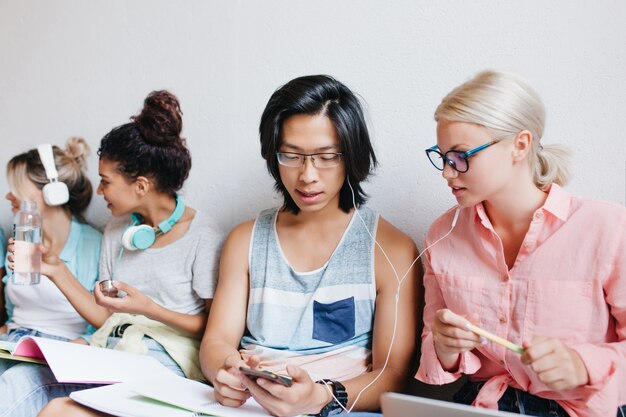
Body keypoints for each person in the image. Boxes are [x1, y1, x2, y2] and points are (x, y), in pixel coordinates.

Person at [200, 75, 420, 417]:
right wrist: (226, 372)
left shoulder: (390, 249)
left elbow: (393, 376)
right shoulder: (245, 240)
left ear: (352, 156)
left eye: (326, 157)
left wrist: (321, 397)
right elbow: (216, 342)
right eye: (292, 155)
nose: (307, 175)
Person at [416, 70, 626, 417]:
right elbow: (434, 350)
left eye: (461, 155)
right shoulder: (443, 233)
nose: (447, 172)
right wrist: (444, 345)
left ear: (520, 144)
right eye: (442, 156)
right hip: (479, 406)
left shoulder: (607, 227)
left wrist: (583, 364)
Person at [9, 90, 222, 417]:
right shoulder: (116, 230)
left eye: (106, 182)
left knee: (59, 411)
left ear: (140, 186)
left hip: (164, 360)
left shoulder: (203, 236)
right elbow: (103, 318)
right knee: (18, 382)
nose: (100, 191)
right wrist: (54, 269)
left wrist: (149, 309)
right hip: (112, 350)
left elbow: (215, 328)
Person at [0, 138, 101, 368]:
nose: (9, 196)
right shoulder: (21, 238)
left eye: (17, 189)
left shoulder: (91, 244)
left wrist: (63, 355)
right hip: (13, 344)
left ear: (51, 192)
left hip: (59, 351)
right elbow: (10, 313)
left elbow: (101, 326)